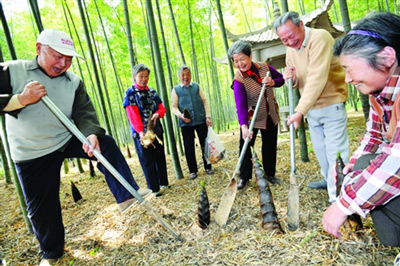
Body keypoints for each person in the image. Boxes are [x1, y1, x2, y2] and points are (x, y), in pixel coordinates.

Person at [0, 29, 151, 265]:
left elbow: (84, 113)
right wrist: (21, 99)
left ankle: (126, 195)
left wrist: (90, 134)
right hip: (31, 151)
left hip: (65, 137)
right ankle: (51, 253)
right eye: (57, 56)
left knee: (106, 144)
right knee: (42, 207)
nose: (63, 64)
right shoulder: (13, 70)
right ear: (39, 48)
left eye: (69, 59)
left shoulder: (74, 81)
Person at [322, 13, 400, 252]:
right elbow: (375, 135)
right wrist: (350, 167)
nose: (346, 79)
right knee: (363, 164)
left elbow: (397, 160)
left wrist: (344, 205)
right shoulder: (382, 94)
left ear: (386, 57)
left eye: (348, 68)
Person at [274, 11, 350, 202]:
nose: (290, 42)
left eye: (291, 36)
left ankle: (339, 198)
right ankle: (329, 181)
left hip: (331, 103)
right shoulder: (291, 50)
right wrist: (289, 77)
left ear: (301, 24)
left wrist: (299, 111)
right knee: (321, 152)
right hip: (311, 108)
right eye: (284, 40)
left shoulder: (320, 37)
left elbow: (317, 76)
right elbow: (299, 81)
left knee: (336, 152)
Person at [227, 40, 284, 190]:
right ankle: (244, 178)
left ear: (250, 55)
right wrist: (244, 127)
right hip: (251, 118)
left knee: (270, 145)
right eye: (236, 61)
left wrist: (272, 82)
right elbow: (240, 105)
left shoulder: (265, 67)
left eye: (242, 59)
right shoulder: (239, 79)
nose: (239, 64)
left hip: (270, 113)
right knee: (245, 147)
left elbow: (281, 79)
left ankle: (270, 174)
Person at [123, 64, 169, 196]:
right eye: (141, 76)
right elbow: (132, 114)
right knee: (147, 160)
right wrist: (141, 132)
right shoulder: (130, 93)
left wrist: (157, 114)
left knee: (159, 157)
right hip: (141, 133)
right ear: (134, 76)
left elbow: (162, 108)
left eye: (146, 76)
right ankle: (154, 189)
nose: (144, 79)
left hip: (156, 130)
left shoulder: (152, 91)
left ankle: (163, 183)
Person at [171, 65, 214, 180]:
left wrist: (208, 116)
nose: (186, 77)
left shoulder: (196, 86)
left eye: (188, 74)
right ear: (179, 76)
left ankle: (208, 166)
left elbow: (205, 102)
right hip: (186, 123)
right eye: (183, 75)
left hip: (200, 120)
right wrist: (180, 115)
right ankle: (193, 171)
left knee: (205, 144)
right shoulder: (176, 90)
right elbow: (174, 107)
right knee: (189, 147)